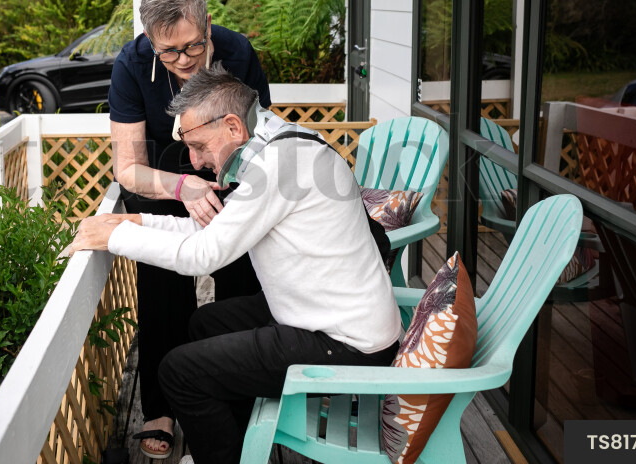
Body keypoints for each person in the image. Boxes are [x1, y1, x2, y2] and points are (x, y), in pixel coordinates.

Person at [65, 65, 404, 464]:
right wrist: (132, 221)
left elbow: (202, 254)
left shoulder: (278, 166)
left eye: (200, 147)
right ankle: (237, 445)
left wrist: (114, 238)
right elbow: (208, 226)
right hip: (327, 313)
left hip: (347, 343)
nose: (194, 161)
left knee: (179, 371)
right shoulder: (278, 143)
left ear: (231, 127)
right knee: (203, 324)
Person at [108, 0, 270, 458]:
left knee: (241, 285)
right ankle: (160, 408)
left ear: (208, 25)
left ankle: (237, 397)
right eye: (168, 52)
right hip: (161, 180)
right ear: (150, 42)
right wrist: (182, 186)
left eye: (193, 45)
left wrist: (223, 183)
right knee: (162, 294)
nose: (183, 60)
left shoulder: (239, 54)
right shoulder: (131, 65)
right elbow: (127, 167)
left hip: (232, 181)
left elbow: (261, 140)